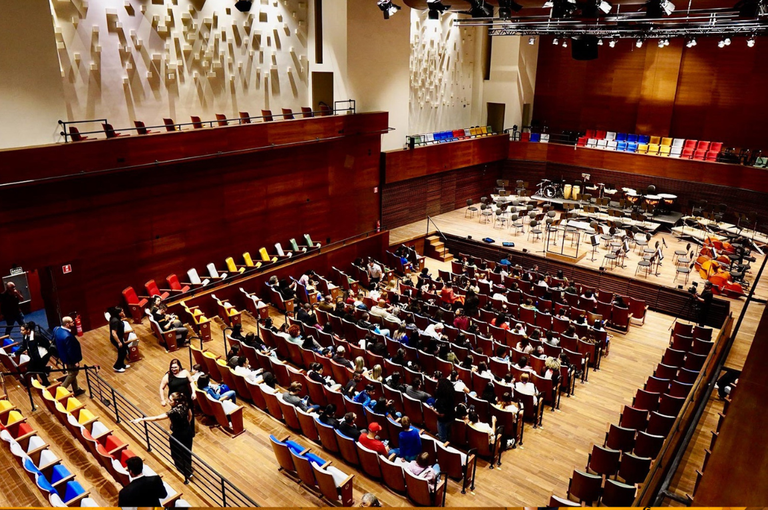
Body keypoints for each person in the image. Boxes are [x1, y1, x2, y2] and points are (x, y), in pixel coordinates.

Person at [133, 392, 194, 483]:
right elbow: (190, 415)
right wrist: (187, 424)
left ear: (176, 402)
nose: (167, 401)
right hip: (188, 432)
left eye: (170, 400)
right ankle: (189, 470)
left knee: (176, 453)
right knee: (187, 451)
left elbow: (157, 418)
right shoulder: (185, 404)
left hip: (178, 435)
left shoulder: (173, 412)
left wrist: (142, 419)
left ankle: (185, 471)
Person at [53, 316, 84, 396]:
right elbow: (71, 351)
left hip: (63, 356)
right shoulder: (68, 336)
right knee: (73, 374)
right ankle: (61, 390)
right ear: (67, 324)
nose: (73, 323)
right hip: (70, 359)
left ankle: (76, 389)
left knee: (71, 372)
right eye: (71, 322)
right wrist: (75, 361)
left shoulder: (57, 329)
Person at [18, 321, 51, 386]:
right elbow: (25, 345)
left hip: (43, 355)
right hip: (34, 356)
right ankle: (47, 370)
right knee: (35, 368)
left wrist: (40, 347)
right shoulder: (25, 336)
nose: (21, 332)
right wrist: (16, 353)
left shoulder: (37, 336)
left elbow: (47, 344)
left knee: (38, 369)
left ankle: (46, 382)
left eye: (22, 330)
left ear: (28, 330)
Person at [108, 307, 130, 372]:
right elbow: (114, 333)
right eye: (122, 312)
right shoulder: (115, 321)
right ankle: (117, 366)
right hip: (117, 339)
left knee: (124, 351)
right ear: (118, 313)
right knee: (122, 352)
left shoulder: (116, 318)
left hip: (120, 337)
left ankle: (122, 364)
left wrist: (123, 315)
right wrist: (119, 342)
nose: (123, 312)